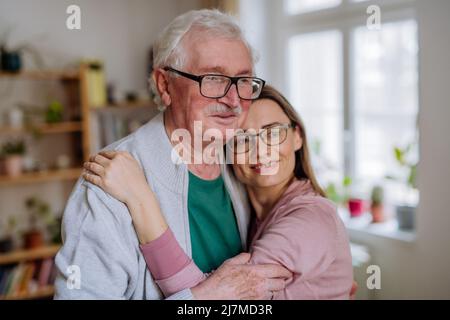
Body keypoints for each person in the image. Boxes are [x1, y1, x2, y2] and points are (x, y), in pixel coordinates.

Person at [54, 9, 292, 300]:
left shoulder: (244, 162)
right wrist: (202, 299)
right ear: (165, 85)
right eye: (214, 78)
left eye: (243, 81)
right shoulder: (108, 182)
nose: (233, 100)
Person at [84, 85, 354, 299]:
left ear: (297, 136)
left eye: (272, 133)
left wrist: (141, 200)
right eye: (243, 138)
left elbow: (224, 301)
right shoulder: (255, 215)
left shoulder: (311, 218)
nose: (260, 150)